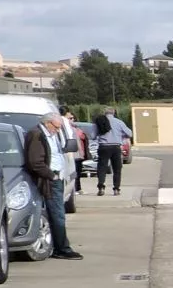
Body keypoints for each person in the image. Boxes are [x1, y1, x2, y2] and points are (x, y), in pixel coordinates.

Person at [27, 110, 82, 260]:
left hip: (57, 177)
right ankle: (62, 248)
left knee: (57, 214)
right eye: (56, 127)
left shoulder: (51, 134)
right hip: (50, 179)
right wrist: (52, 175)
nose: (58, 130)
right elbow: (35, 162)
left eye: (59, 128)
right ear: (47, 123)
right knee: (57, 214)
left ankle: (60, 245)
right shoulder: (37, 135)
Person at [95, 107, 133, 196]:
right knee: (117, 169)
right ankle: (116, 189)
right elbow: (129, 133)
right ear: (114, 113)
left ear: (105, 113)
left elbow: (93, 135)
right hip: (116, 147)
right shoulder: (119, 122)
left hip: (103, 146)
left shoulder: (99, 121)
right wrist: (121, 135)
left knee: (102, 167)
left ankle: (101, 187)